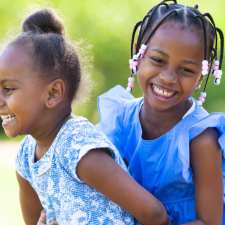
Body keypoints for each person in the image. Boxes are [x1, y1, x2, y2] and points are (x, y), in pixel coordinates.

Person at [0, 8, 170, 225]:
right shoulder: (26, 157)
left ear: (53, 93)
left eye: (8, 88)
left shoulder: (79, 149)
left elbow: (154, 214)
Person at [98, 0, 225, 224]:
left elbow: (209, 222)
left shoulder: (201, 137)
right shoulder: (118, 118)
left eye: (186, 70)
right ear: (139, 54)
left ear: (201, 76)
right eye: (157, 60)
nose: (167, 78)